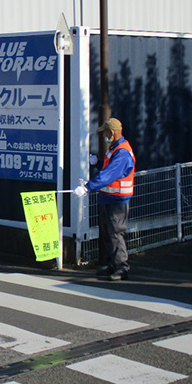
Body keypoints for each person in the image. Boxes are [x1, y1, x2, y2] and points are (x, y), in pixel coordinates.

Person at [73, 117, 135, 281]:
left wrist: (87, 187)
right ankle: (112, 264)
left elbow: (109, 175)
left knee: (116, 233)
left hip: (117, 200)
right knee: (108, 233)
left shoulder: (121, 152)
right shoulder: (115, 149)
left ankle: (121, 267)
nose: (104, 135)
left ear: (112, 132)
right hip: (108, 198)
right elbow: (109, 169)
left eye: (106, 132)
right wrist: (99, 162)